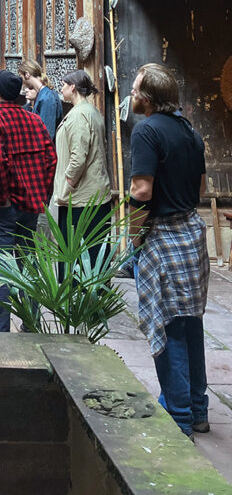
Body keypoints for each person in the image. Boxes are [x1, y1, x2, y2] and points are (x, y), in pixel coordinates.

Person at [129, 63, 209, 438]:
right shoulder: (190, 131)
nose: (130, 96)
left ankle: (178, 419)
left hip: (163, 235)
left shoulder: (146, 131)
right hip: (192, 232)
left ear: (146, 99)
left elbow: (142, 191)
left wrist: (132, 234)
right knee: (190, 323)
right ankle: (197, 409)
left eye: (133, 91)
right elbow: (202, 191)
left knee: (168, 326)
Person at [0, 70, 57, 332]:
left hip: (3, 209)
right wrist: (41, 194)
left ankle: (0, 333)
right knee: (27, 265)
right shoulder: (33, 120)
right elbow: (51, 159)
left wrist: (1, 200)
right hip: (29, 207)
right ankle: (31, 324)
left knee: (1, 272)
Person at [52, 70, 111, 275]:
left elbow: (79, 156)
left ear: (73, 87)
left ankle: (78, 303)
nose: (61, 89)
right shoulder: (91, 111)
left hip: (81, 197)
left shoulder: (79, 115)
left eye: (63, 85)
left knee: (79, 257)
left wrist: (67, 184)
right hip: (92, 194)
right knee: (94, 255)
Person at [19, 58, 63, 141]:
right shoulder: (41, 96)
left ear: (27, 74)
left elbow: (46, 134)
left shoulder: (47, 97)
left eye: (22, 78)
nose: (23, 83)